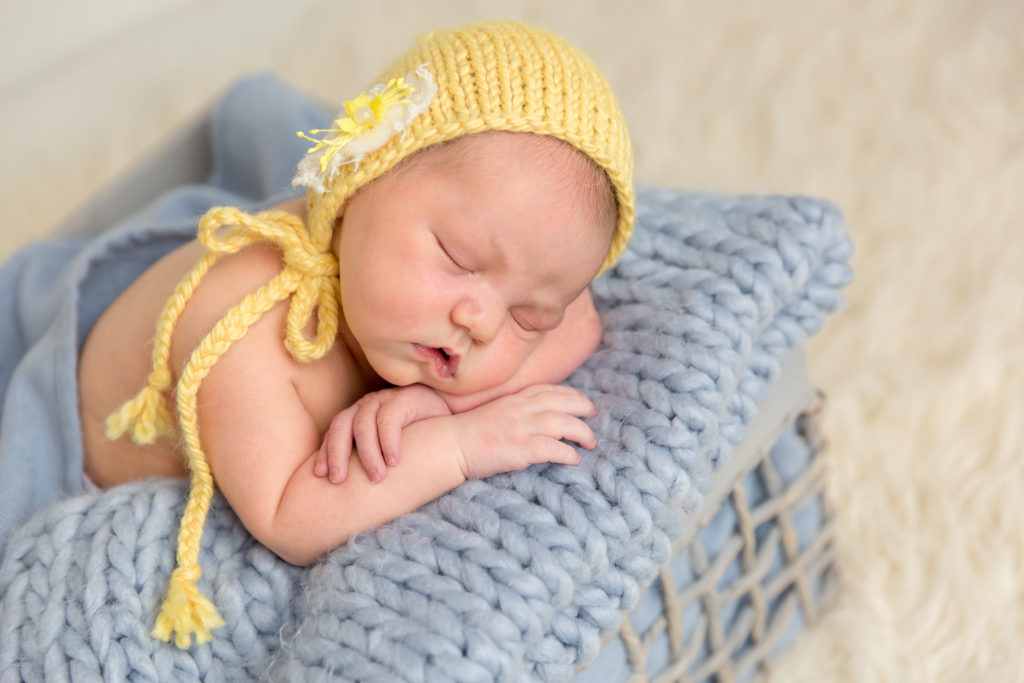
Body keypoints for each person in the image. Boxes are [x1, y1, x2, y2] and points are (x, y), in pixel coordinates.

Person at [78, 20, 634, 648]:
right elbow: (290, 514)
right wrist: (458, 442)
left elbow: (580, 319)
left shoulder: (436, 278)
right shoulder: (250, 336)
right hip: (103, 450)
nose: (481, 322)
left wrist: (433, 400)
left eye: (527, 316)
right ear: (358, 181)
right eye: (458, 257)